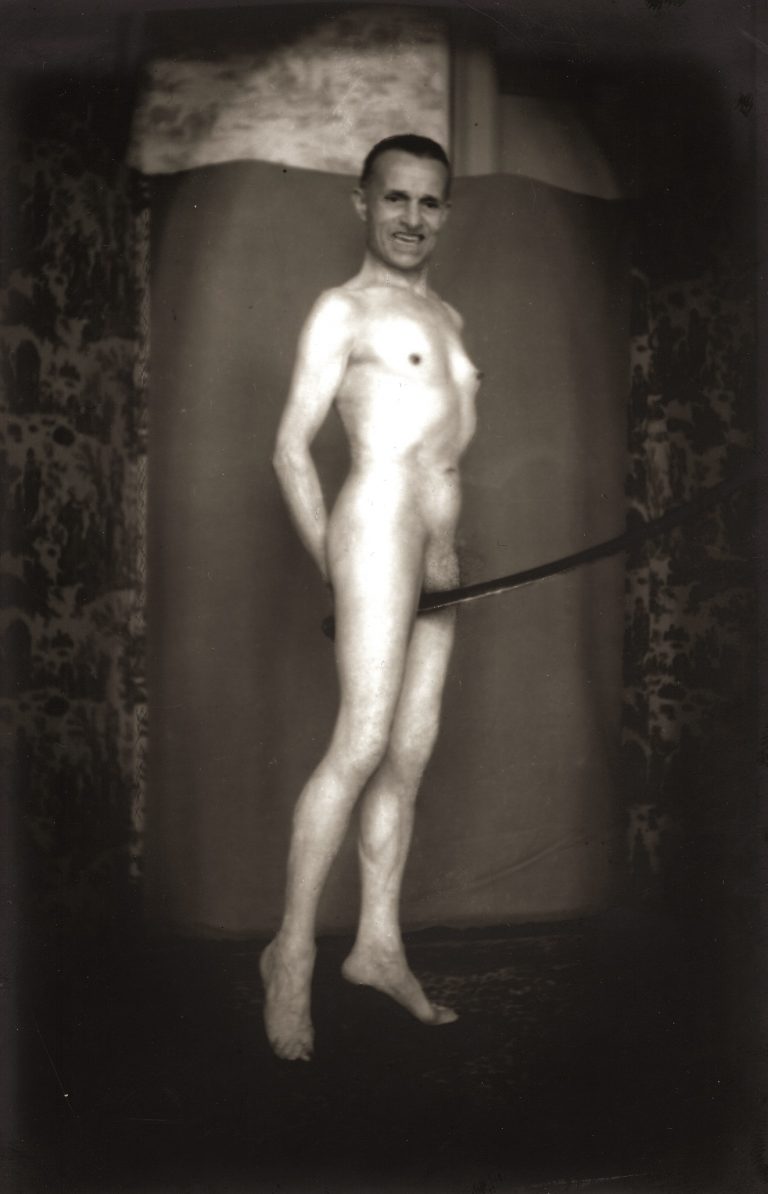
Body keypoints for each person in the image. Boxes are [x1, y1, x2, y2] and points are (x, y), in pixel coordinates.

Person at [262, 133, 481, 1060]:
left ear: (445, 213)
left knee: (408, 753)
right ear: (363, 202)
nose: (412, 218)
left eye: (429, 202)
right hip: (377, 529)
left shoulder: (451, 318)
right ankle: (290, 956)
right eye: (395, 198)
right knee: (360, 741)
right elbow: (290, 448)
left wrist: (436, 549)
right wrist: (337, 562)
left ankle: (378, 948)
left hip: (440, 546)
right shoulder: (342, 309)